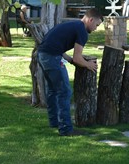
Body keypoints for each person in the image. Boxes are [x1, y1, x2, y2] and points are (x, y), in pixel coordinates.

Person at [37, 8, 103, 136]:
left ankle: (55, 122)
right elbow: (78, 58)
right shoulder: (82, 31)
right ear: (90, 20)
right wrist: (88, 64)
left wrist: (72, 61)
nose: (96, 28)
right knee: (65, 91)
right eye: (96, 25)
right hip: (51, 57)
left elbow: (59, 47)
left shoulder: (74, 25)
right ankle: (66, 129)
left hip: (43, 55)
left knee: (53, 90)